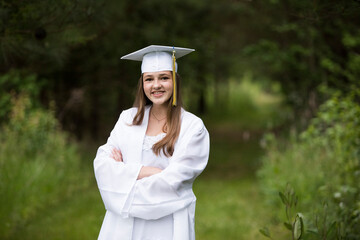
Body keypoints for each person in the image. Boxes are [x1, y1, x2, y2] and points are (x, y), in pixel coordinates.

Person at [93, 45, 210, 240]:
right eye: (149, 79)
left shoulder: (192, 127)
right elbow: (103, 166)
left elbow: (173, 183)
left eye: (164, 77)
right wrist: (148, 172)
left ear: (175, 81)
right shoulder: (127, 119)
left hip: (167, 224)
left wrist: (124, 180)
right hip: (121, 225)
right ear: (142, 84)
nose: (156, 85)